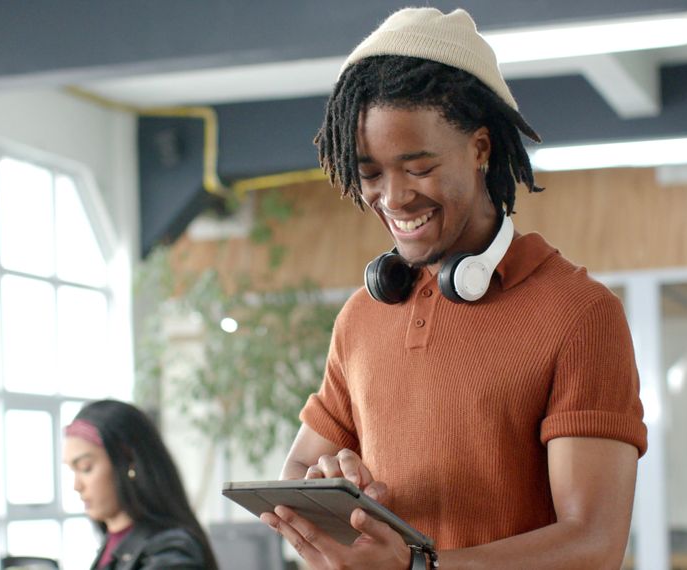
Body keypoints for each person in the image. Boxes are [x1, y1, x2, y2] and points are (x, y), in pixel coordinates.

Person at [258, 7, 648, 570]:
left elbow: (592, 543)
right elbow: (296, 475)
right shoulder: (362, 316)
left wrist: (417, 566)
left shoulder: (579, 313)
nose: (394, 198)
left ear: (480, 148)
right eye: (370, 174)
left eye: (418, 168)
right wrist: (329, 492)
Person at [63, 400, 219, 570]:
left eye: (85, 468)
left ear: (128, 459)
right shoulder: (112, 542)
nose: (77, 486)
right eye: (73, 470)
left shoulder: (169, 550)